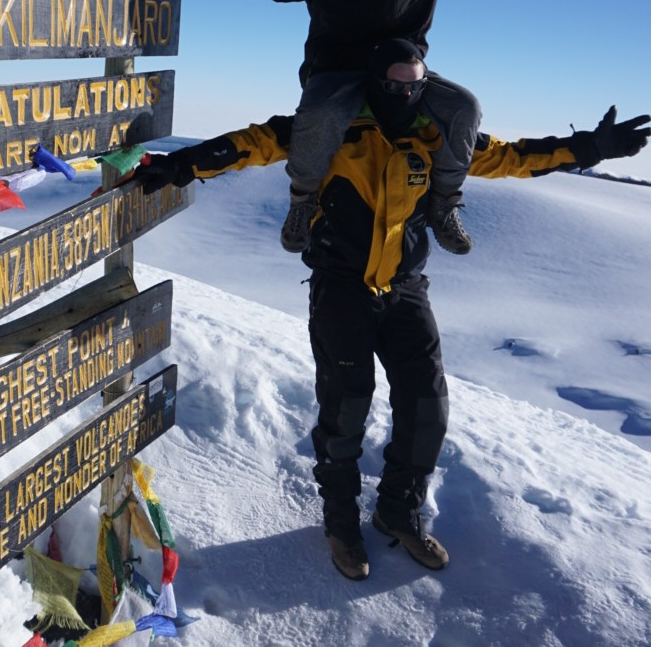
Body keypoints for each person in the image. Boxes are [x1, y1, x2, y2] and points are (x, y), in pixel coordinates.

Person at [131, 38, 650, 580]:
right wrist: (181, 165)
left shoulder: (438, 134)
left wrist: (590, 148)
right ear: (374, 81)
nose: (404, 93)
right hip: (342, 287)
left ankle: (398, 511)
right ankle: (340, 523)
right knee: (347, 406)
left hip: (404, 289)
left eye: (414, 85)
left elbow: (513, 157)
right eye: (394, 83)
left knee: (428, 406)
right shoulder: (332, 127)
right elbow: (252, 143)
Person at [139, 0, 590, 256]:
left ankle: (444, 204)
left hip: (403, 78)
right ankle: (303, 201)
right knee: (319, 113)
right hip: (338, 76)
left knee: (464, 108)